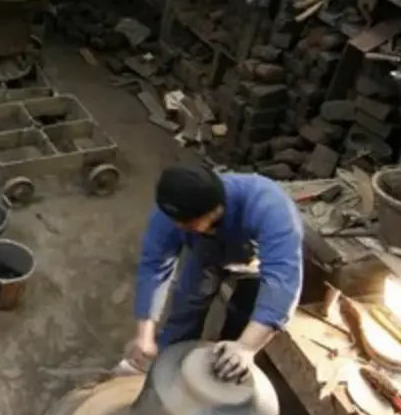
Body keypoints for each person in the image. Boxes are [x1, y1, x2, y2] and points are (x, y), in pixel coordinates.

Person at [125, 158, 304, 383]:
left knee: (242, 320)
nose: (178, 227)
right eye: (176, 221)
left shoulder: (270, 208)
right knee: (187, 305)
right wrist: (145, 335)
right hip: (205, 253)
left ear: (216, 210)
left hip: (253, 263)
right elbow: (154, 267)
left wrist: (246, 347)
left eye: (187, 224)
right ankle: (169, 361)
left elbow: (283, 282)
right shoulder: (172, 213)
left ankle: (225, 367)